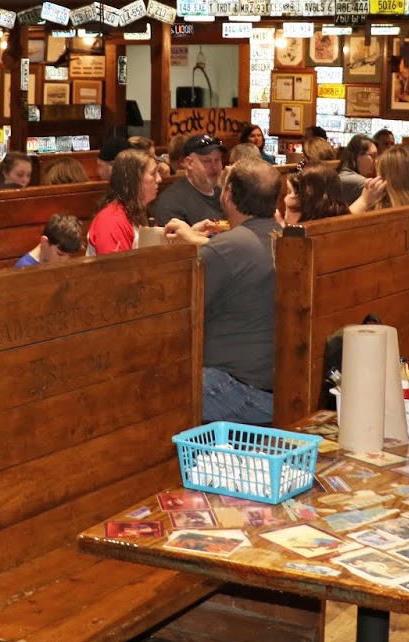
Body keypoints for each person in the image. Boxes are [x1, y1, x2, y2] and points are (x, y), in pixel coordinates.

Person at [166, 160, 282, 424]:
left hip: (241, 392)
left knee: (150, 389)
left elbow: (176, 313)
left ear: (227, 194)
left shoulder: (228, 247)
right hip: (276, 388)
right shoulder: (284, 236)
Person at [87, 148, 162, 255]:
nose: (159, 179)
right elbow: (116, 265)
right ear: (134, 180)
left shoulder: (141, 211)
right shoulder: (112, 221)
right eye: (153, 173)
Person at [151, 133, 225, 228]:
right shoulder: (171, 202)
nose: (214, 167)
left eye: (217, 160)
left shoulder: (225, 196)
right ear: (189, 163)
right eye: (207, 161)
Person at [281, 163, 384, 226]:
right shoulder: (336, 228)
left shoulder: (301, 242)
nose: (285, 199)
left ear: (308, 196)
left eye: (289, 192)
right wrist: (364, 201)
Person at [16, 214, 85, 266]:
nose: (64, 260)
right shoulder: (24, 268)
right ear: (44, 242)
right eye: (60, 254)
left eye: (69, 256)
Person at [337, 134, 378, 204]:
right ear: (358, 155)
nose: (376, 161)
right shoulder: (358, 182)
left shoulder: (344, 174)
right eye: (373, 156)